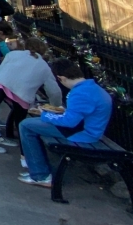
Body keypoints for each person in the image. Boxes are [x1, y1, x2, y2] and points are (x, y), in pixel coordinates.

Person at [18, 59, 113, 188]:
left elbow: (69, 122)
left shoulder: (80, 93)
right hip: (88, 130)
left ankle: (40, 175)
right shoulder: (92, 88)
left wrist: (45, 115)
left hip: (82, 133)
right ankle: (38, 170)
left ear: (61, 78)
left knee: (26, 125)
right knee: (31, 124)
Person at [0, 37, 62, 155]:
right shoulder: (44, 66)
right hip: (23, 93)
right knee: (20, 122)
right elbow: (54, 91)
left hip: (2, 83)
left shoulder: (13, 55)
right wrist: (56, 106)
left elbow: (2, 69)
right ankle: (24, 157)